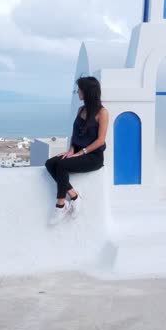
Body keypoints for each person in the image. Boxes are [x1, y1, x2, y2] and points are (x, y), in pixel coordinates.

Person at [44, 76, 109, 225]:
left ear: (87, 91)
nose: (77, 92)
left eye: (79, 89)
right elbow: (76, 134)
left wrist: (81, 152)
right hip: (78, 152)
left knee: (61, 165)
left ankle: (60, 205)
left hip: (93, 156)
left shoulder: (102, 113)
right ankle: (74, 196)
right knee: (50, 163)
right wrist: (71, 150)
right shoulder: (81, 110)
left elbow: (100, 140)